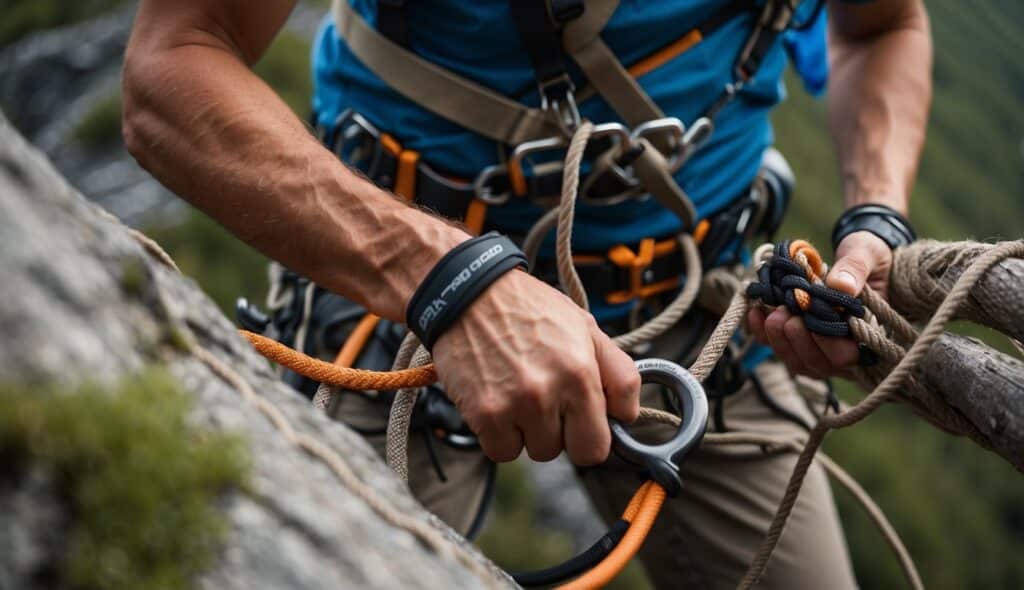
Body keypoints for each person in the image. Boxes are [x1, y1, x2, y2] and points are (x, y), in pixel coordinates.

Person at [122, 0, 931, 587]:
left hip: (706, 327)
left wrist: (876, 218)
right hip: (393, 302)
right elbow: (173, 66)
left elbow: (882, 26)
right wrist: (448, 281)